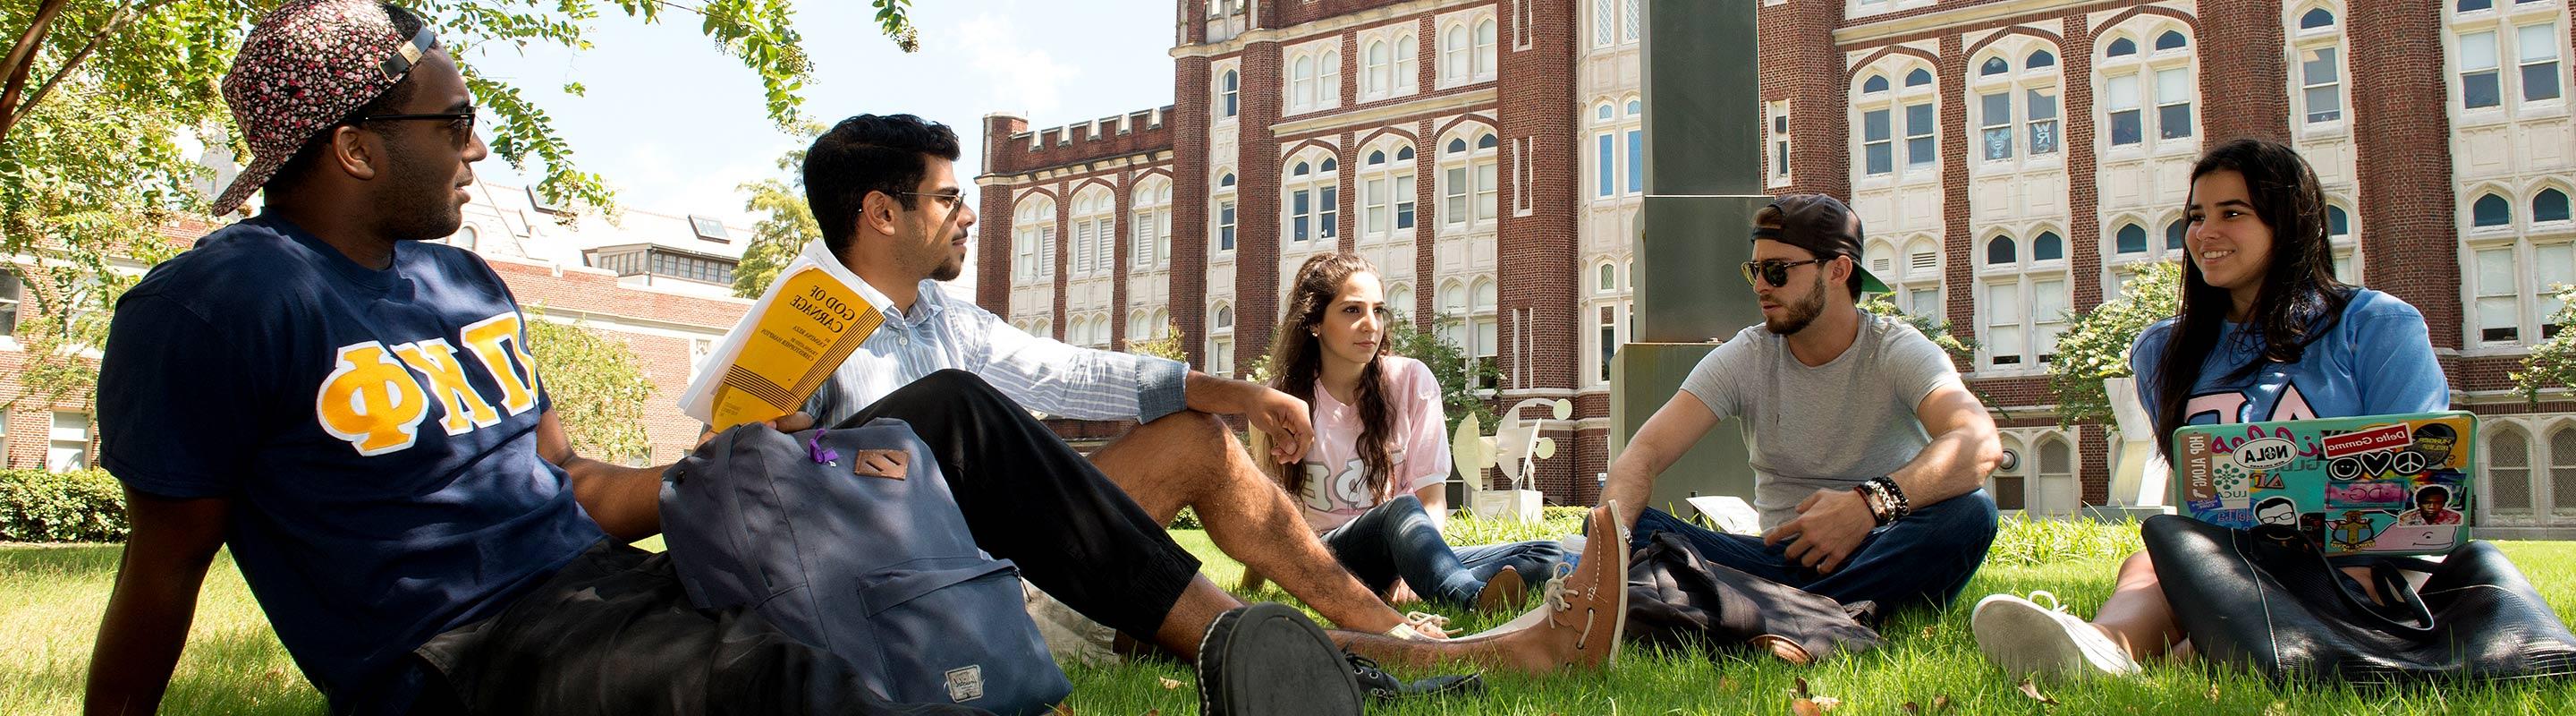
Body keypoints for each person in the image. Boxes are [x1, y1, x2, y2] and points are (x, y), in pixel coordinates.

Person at [79, 4, 1629, 714]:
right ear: (351, 147)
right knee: (863, 665)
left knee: (950, 410)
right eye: (448, 121)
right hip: (470, 656)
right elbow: (166, 570)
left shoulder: (459, 279)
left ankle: (1278, 658)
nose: (479, 144)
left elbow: (570, 478)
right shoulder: (222, 308)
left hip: (621, 569)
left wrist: (715, 479)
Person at [788, 114, 1463, 641]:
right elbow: (736, 495)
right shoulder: (798, 331)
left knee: (1195, 438)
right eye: (947, 198)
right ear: (882, 214)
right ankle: (1319, 642)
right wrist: (790, 450)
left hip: (1011, 562)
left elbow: (1073, 373)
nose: (969, 214)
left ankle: (1374, 621)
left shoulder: (953, 323)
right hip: (904, 584)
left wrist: (1242, 396)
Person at [1968, 138, 2451, 678]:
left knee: (2221, 614)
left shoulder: (2375, 326)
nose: (2205, 233)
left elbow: (2421, 479)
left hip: (2355, 566)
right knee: (2157, 558)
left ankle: (2181, 656)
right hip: (2228, 561)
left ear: (2289, 223)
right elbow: (2192, 498)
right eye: (2196, 216)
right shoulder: (2164, 351)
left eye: (2233, 213)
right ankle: (2102, 648)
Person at [1596, 193, 2005, 613]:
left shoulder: (1896, 350)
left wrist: (1868, 506)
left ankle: (1764, 612)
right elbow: (1642, 454)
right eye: (1754, 270)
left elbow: (1978, 443)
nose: (1760, 286)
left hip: (1881, 552)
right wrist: (1607, 551)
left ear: (1838, 270)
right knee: (1630, 523)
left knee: (1971, 512)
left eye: (1777, 271)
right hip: (1775, 562)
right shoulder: (1748, 355)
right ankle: (1816, 614)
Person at [1249, 251, 1563, 614]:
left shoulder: (1412, 381)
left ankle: (1438, 583)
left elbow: (1433, 500)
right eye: (1353, 310)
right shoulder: (1282, 399)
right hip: (1324, 559)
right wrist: (1252, 586)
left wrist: (1408, 572)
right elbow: (1267, 509)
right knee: (1399, 510)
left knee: (1545, 552)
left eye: (1378, 310)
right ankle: (1471, 599)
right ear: (1315, 322)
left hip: (1404, 545)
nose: (1371, 324)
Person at [2395, 485, 2463, 526]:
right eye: (2426, 503)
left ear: (2444, 504)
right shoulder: (2405, 519)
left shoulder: (2455, 518)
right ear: (2418, 504)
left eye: (2438, 503)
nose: (2432, 507)